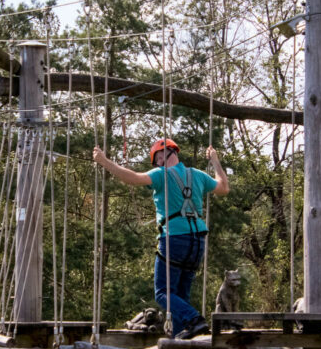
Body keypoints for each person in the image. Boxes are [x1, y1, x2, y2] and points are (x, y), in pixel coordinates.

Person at [93, 138, 229, 338]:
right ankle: (180, 345)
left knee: (163, 293)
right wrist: (215, 161)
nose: (157, 163)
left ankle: (194, 320)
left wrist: (105, 162)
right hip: (198, 240)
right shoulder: (198, 175)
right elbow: (223, 188)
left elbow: (133, 178)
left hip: (174, 238)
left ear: (165, 154)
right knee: (180, 295)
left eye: (157, 159)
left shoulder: (161, 174)